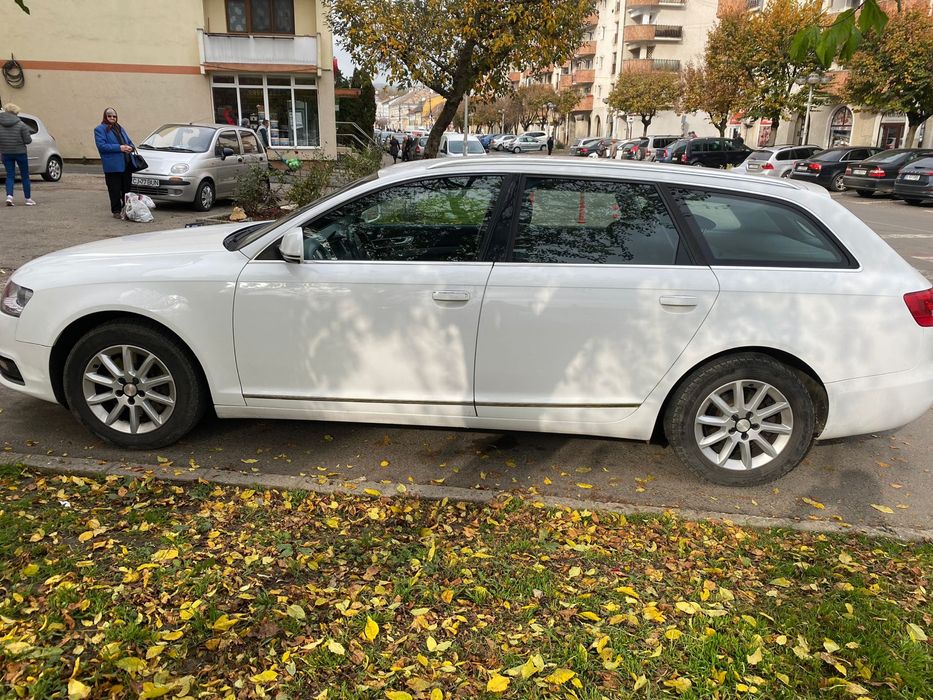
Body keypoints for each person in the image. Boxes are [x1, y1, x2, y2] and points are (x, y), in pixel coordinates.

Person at [94, 107, 136, 219]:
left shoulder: (120, 128)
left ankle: (127, 209)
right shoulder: (100, 129)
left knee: (127, 189)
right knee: (114, 190)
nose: (112, 118)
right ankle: (116, 211)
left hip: (126, 164)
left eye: (114, 116)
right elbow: (102, 146)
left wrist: (131, 147)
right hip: (112, 166)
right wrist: (120, 148)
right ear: (105, 117)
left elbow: (129, 141)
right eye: (109, 116)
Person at [0, 103, 34, 206]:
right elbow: (28, 140)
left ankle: (9, 197)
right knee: (25, 176)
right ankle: (28, 199)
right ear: (15, 113)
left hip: (6, 153)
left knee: (10, 175)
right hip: (20, 153)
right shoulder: (21, 124)